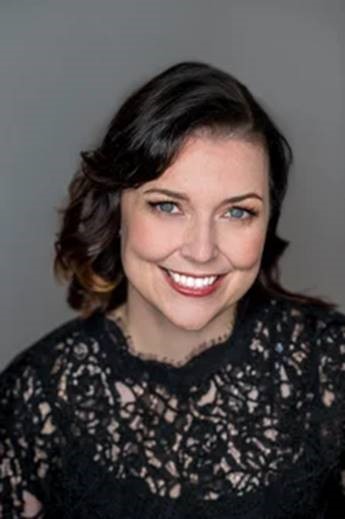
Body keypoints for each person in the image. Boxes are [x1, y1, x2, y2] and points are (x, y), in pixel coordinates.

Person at [1, 61, 345, 519]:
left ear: (268, 223)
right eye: (167, 206)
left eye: (238, 212)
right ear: (116, 210)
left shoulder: (333, 367)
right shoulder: (33, 398)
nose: (202, 251)